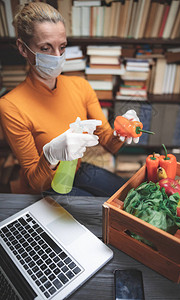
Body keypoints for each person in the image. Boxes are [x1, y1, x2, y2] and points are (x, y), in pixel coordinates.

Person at [0, 2, 140, 197]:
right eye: (46, 48)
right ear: (23, 49)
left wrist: (124, 130)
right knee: (98, 216)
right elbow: (36, 182)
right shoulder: (11, 106)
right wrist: (50, 156)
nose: (58, 57)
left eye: (62, 47)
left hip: (77, 169)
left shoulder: (80, 86)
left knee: (132, 196)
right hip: (46, 186)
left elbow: (109, 142)